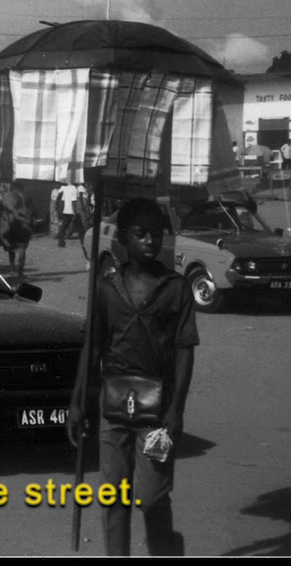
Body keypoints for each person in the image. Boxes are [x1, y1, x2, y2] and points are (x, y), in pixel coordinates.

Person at [69, 198, 196, 557]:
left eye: (156, 233)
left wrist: (177, 410)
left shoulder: (176, 289)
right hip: (113, 407)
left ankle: (165, 551)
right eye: (140, 234)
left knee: (152, 496)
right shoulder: (107, 289)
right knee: (113, 495)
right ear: (123, 238)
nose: (150, 241)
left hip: (157, 410)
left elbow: (185, 349)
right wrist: (77, 401)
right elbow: (91, 348)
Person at [0, 181, 33, 281]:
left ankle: (12, 269)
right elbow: (29, 211)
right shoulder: (24, 197)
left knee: (11, 247)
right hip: (20, 225)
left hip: (8, 225)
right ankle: (20, 272)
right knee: (22, 248)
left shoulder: (4, 197)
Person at [56, 180, 81, 246]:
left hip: (65, 211)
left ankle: (61, 242)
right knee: (80, 228)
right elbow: (74, 202)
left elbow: (63, 201)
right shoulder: (74, 189)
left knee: (63, 227)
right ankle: (83, 242)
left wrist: (61, 210)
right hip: (71, 211)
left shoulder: (65, 188)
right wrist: (75, 212)